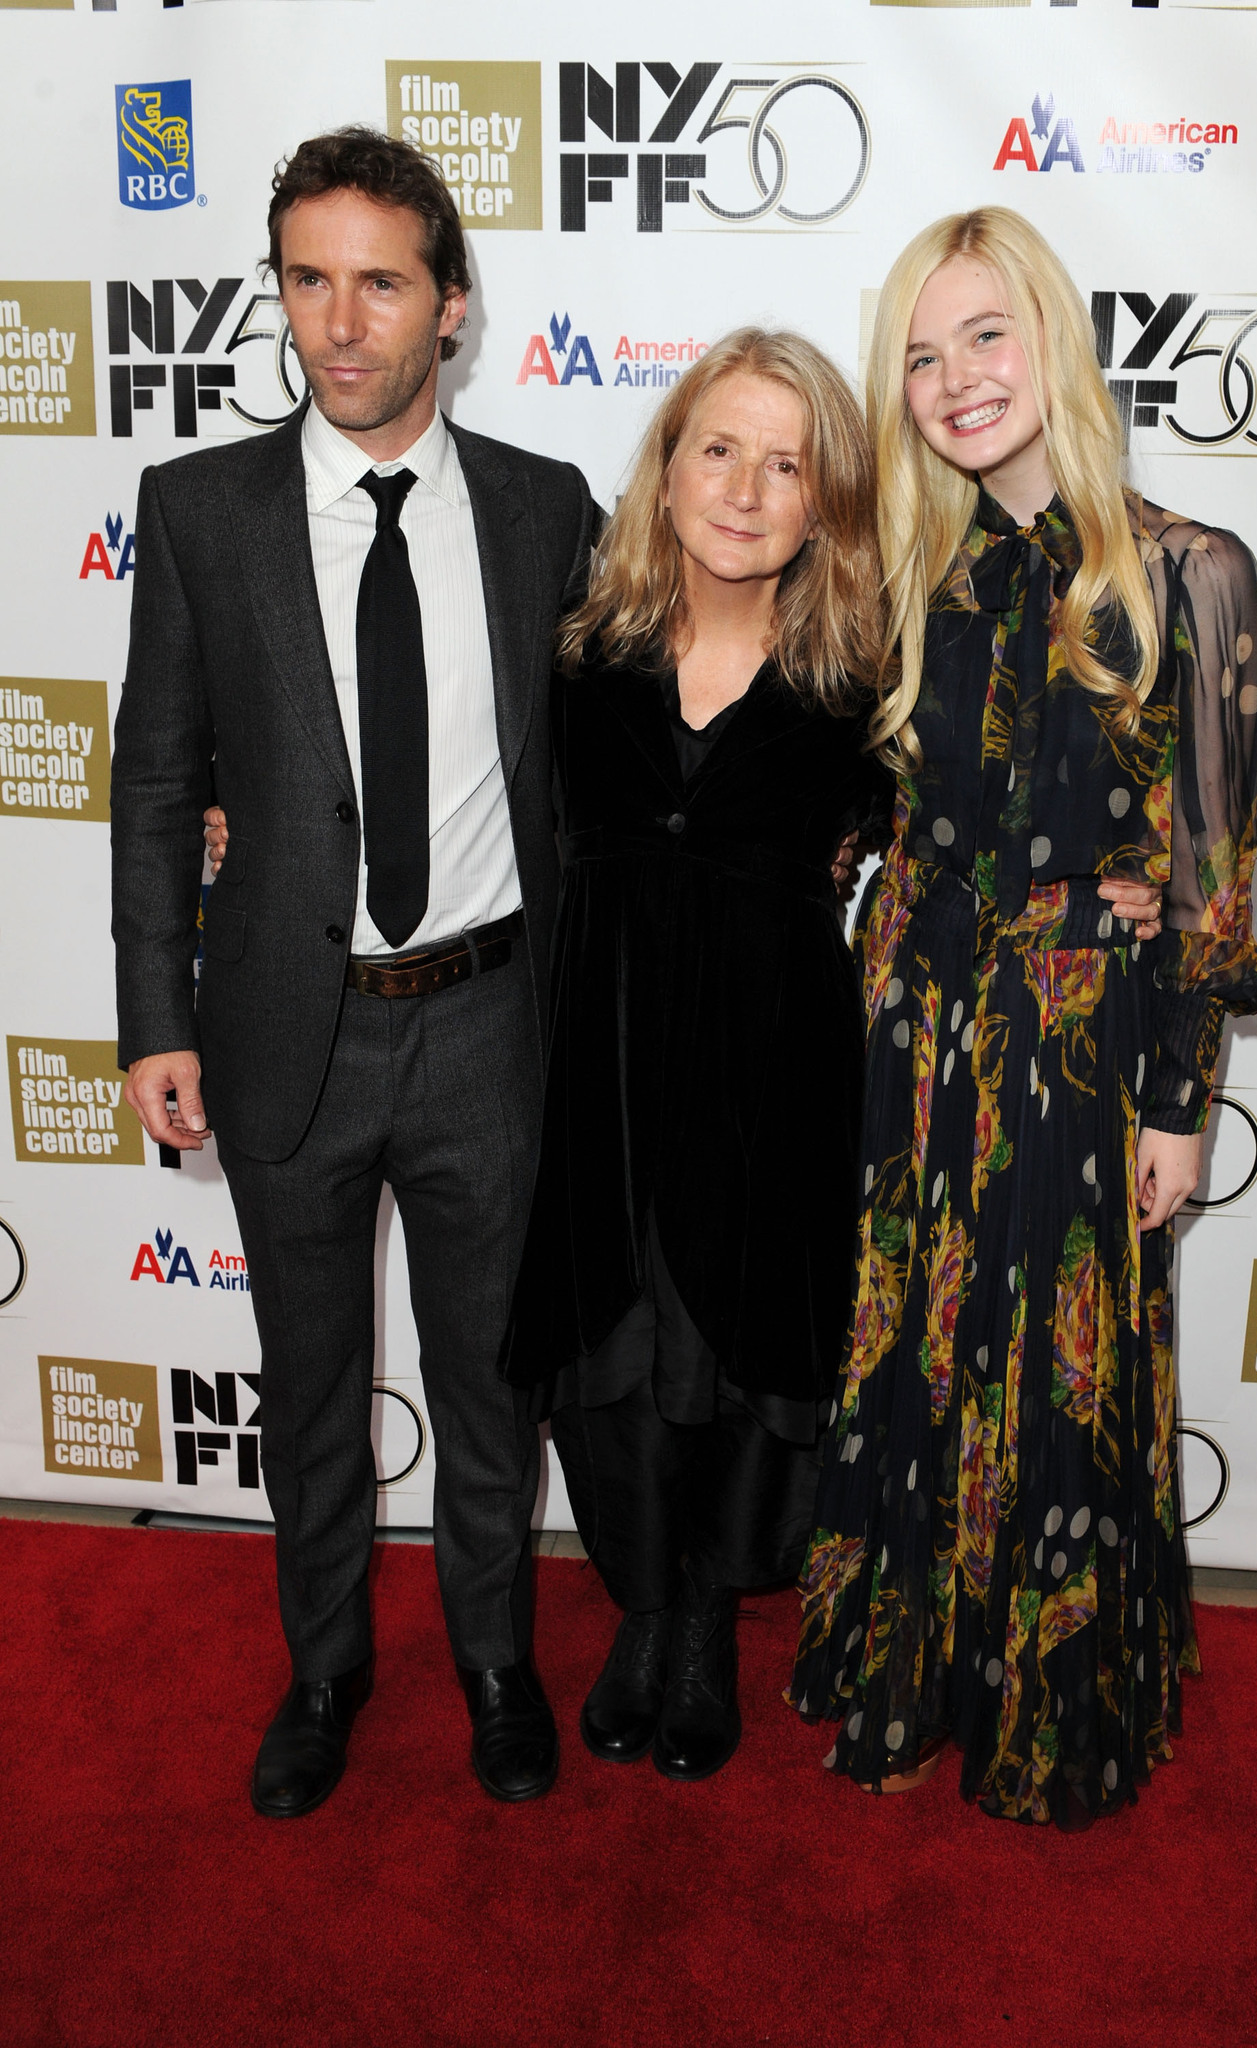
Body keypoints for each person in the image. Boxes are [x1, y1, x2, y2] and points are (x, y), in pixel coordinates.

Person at [111, 128, 593, 1817]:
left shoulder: (547, 512)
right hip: (278, 1037)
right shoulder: (200, 511)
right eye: (306, 279)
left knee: (488, 1389)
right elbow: (158, 783)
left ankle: (491, 1660)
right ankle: (322, 1670)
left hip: (486, 1031)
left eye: (378, 280)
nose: (338, 322)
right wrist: (153, 1017)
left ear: (449, 307)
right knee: (309, 1388)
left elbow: (613, 760)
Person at [790, 208, 1257, 1825]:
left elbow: (1212, 874)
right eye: (921, 356)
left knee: (1057, 1381)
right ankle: (916, 1675)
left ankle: (1045, 1703)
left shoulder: (1190, 573)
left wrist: (1179, 1100)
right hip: (915, 1035)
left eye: (983, 336)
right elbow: (847, 814)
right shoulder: (904, 581)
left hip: (1077, 1053)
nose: (953, 380)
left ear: (1052, 341)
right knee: (916, 1358)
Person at [496, 330, 895, 1781]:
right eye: (717, 449)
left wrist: (1110, 884)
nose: (744, 488)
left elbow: (977, 826)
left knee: (737, 1353)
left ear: (825, 502)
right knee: (615, 1346)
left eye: (787, 464)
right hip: (595, 1063)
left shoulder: (869, 680)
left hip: (773, 1074)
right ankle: (640, 1608)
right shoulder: (571, 650)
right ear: (664, 474)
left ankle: (706, 1625)